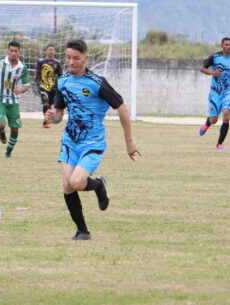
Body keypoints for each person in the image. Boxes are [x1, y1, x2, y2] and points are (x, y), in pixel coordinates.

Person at [45, 39, 140, 240]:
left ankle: (98, 185)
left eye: (76, 58)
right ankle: (82, 231)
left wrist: (129, 140)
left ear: (85, 58)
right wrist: (52, 117)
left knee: (77, 181)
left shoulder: (97, 83)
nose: (71, 62)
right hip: (70, 141)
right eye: (68, 57)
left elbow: (121, 107)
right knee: (67, 185)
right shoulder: (62, 82)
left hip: (92, 142)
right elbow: (59, 115)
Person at [0, 40, 30, 158]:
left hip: (13, 101)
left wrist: (20, 90)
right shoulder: (0, 61)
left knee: (15, 128)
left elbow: (26, 85)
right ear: (8, 51)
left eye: (16, 51)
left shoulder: (22, 67)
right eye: (11, 51)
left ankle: (8, 151)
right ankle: (1, 133)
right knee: (1, 125)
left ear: (20, 52)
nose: (13, 53)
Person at [198, 37, 230, 151]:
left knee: (226, 114)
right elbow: (202, 69)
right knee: (214, 119)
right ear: (222, 45)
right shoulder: (215, 57)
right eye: (226, 45)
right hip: (215, 92)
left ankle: (219, 145)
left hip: (228, 92)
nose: (229, 47)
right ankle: (207, 124)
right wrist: (213, 72)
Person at [36, 44, 63, 128]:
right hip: (43, 86)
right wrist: (38, 84)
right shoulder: (41, 62)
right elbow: (37, 75)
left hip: (53, 88)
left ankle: (45, 122)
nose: (51, 51)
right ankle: (47, 122)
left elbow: (61, 76)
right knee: (45, 103)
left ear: (54, 52)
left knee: (50, 105)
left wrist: (60, 86)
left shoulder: (57, 63)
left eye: (52, 50)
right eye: (49, 50)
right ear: (46, 51)